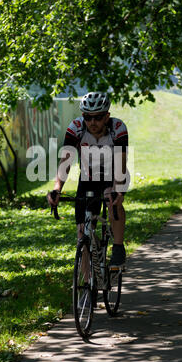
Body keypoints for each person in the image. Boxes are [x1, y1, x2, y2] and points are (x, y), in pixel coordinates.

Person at [47, 92, 129, 267]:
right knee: (82, 234)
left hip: (113, 174)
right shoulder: (76, 128)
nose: (92, 122)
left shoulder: (118, 128)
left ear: (107, 116)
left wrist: (119, 191)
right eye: (88, 117)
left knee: (111, 200)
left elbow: (121, 164)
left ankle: (118, 247)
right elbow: (65, 162)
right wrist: (56, 189)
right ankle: (86, 288)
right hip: (88, 178)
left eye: (98, 117)